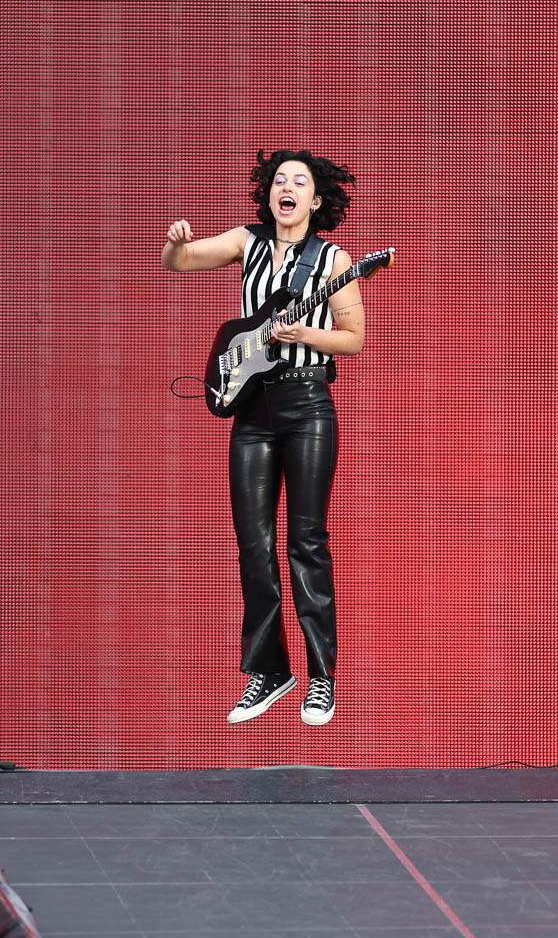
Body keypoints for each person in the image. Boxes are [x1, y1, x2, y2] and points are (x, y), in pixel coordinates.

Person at [163, 149, 364, 726]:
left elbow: (353, 339)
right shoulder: (248, 242)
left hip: (307, 406)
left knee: (305, 541)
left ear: (316, 200)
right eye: (280, 179)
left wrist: (308, 333)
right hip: (253, 409)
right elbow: (180, 263)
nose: (288, 187)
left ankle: (322, 677)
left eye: (300, 182)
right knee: (253, 542)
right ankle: (271, 671)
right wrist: (177, 242)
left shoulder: (333, 260)